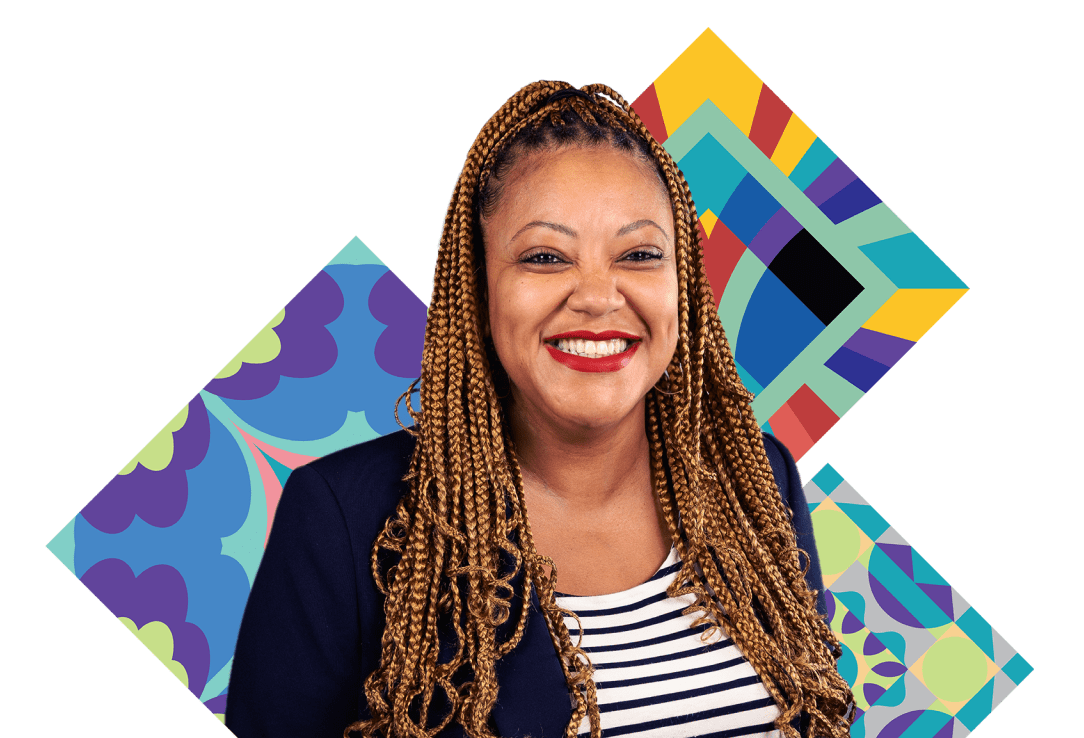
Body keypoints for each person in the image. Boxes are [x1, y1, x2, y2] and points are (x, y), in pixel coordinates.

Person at [226, 80, 854, 738]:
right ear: (479, 286)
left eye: (639, 255)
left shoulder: (755, 478)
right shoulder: (343, 519)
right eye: (545, 257)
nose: (597, 297)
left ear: (685, 284)